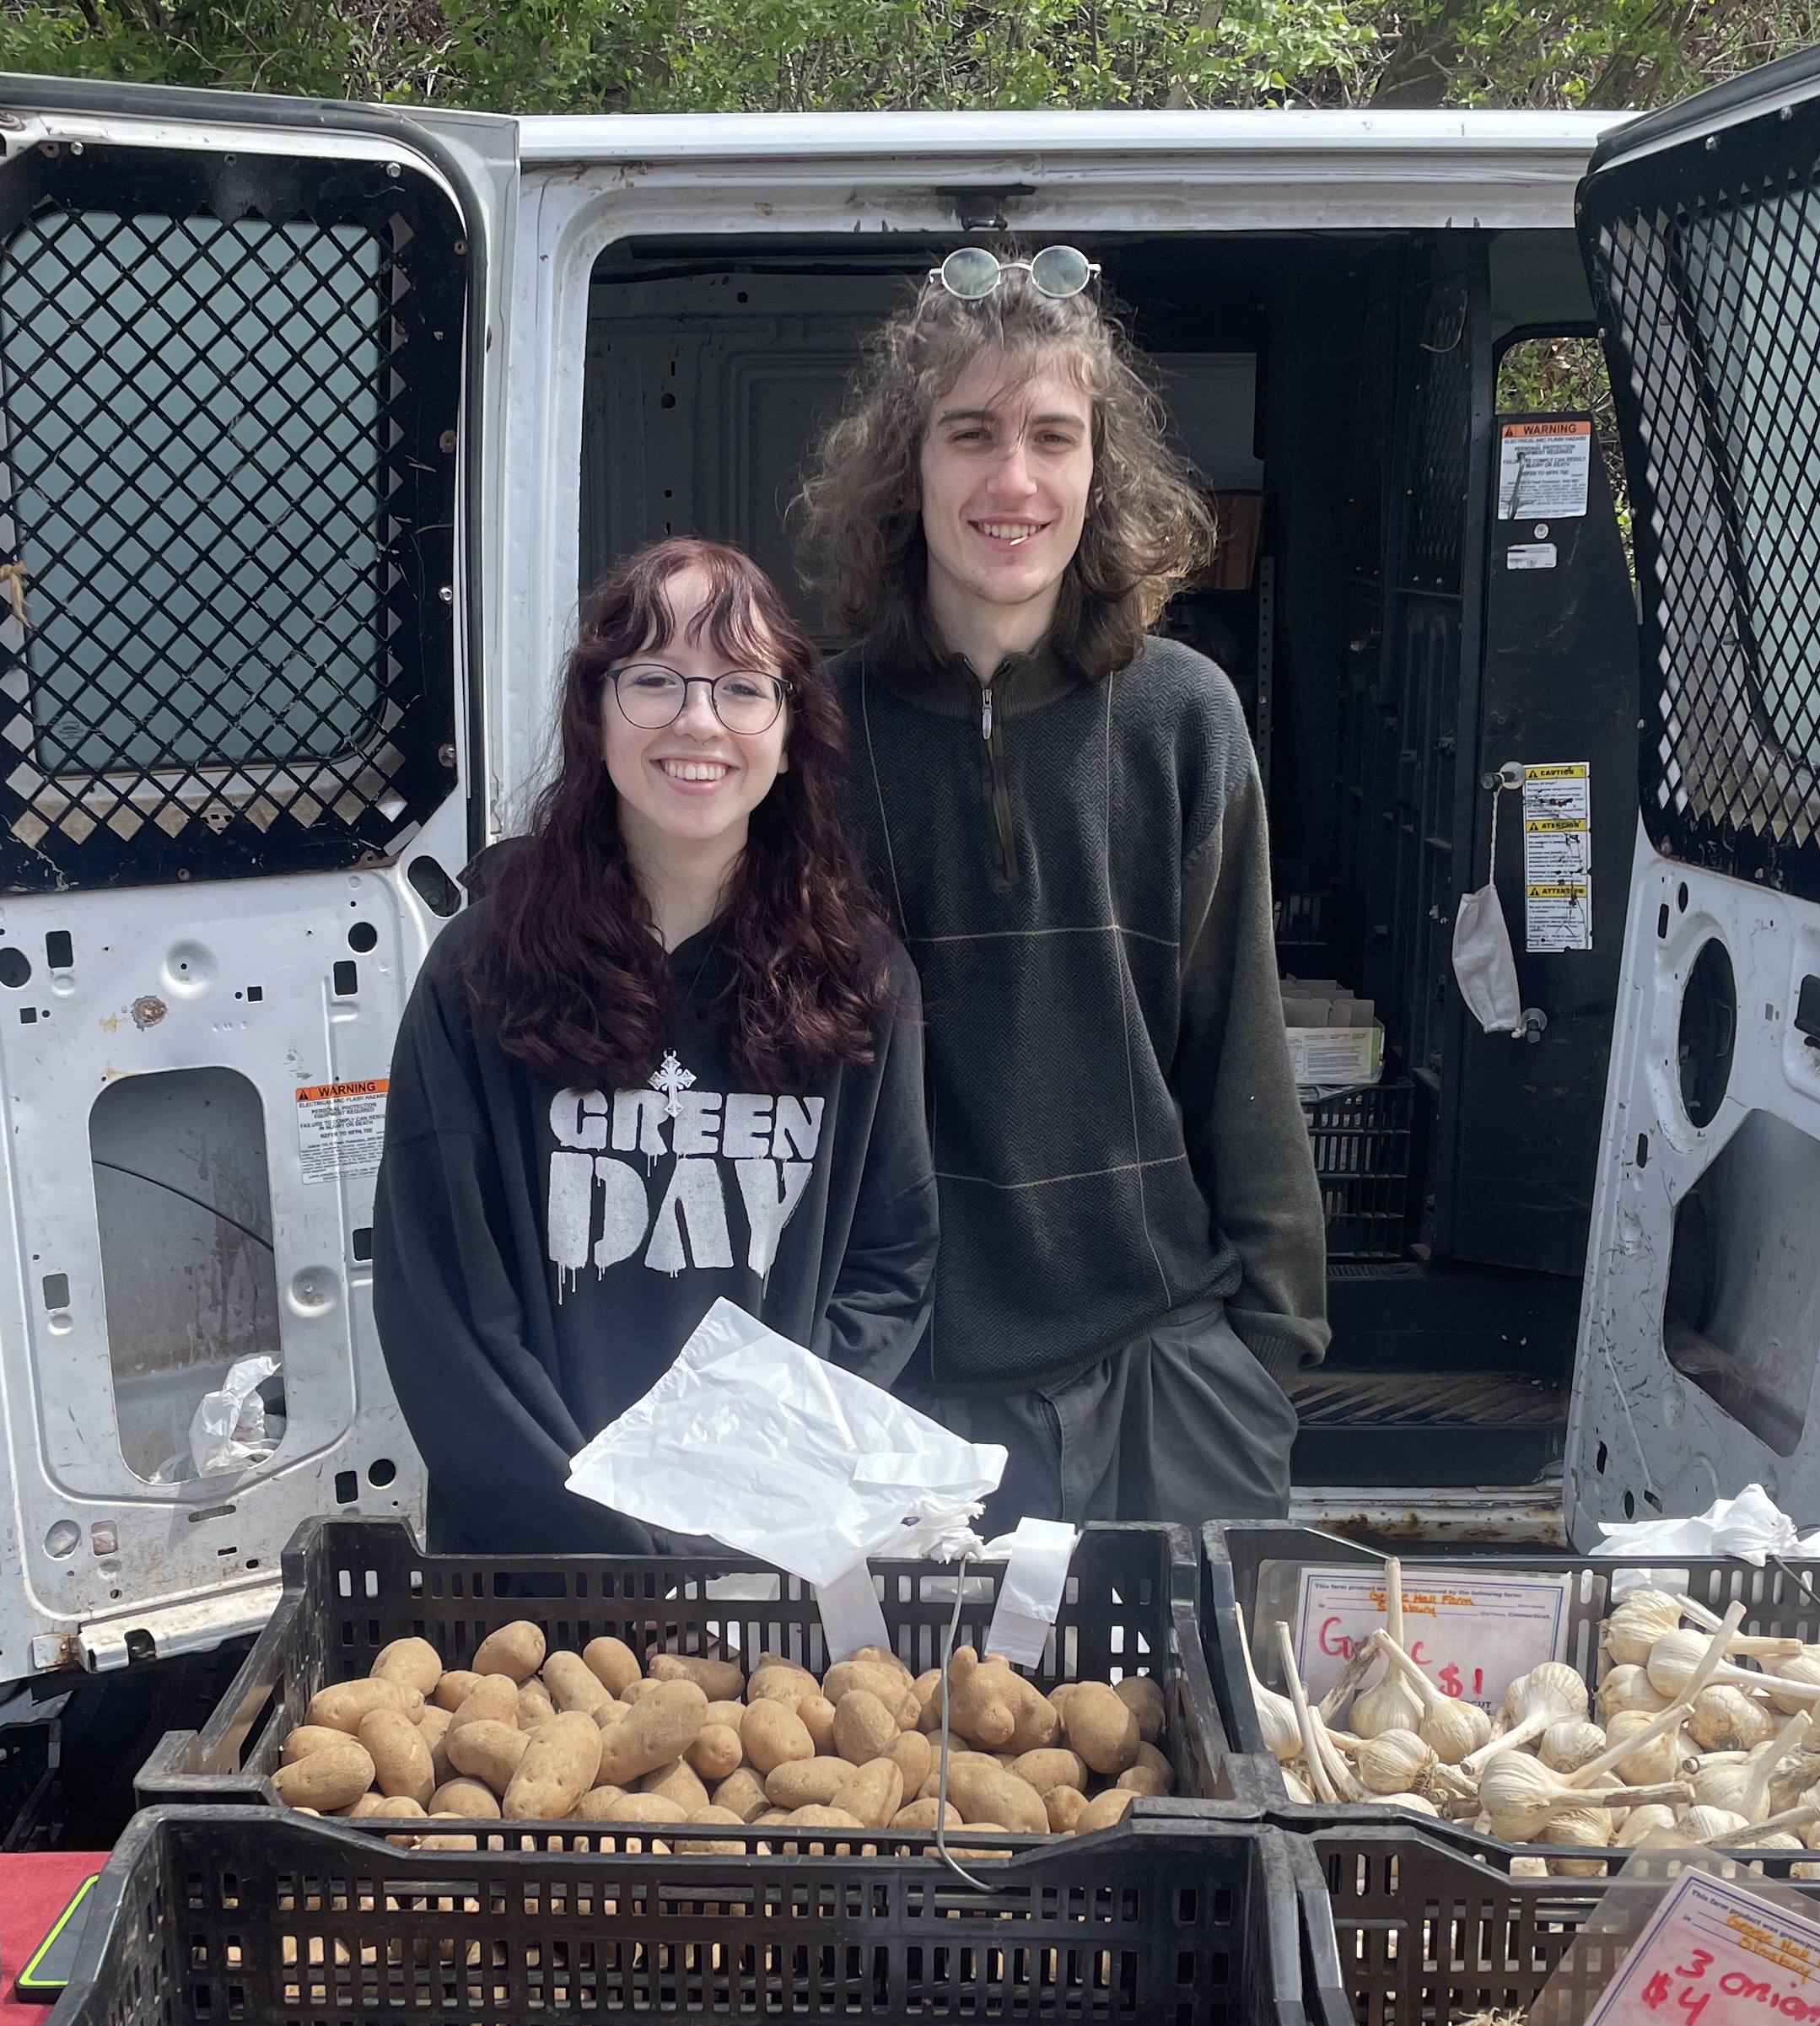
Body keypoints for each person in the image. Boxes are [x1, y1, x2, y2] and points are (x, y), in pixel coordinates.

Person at [798, 252, 1327, 1533]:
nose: (1012, 480)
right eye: (969, 434)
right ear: (907, 467)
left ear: (1100, 469)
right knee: (930, 1738)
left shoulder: (1182, 717)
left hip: (1167, 1368)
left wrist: (1270, 1354)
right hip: (903, 1386)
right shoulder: (814, 728)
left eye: (1053, 436)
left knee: (1205, 1725)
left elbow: (1240, 1045)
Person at [373, 537, 934, 1552]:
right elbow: (441, 1308)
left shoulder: (859, 977)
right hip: (533, 1578)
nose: (698, 721)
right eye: (656, 681)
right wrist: (607, 1539)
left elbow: (887, 1273)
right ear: (596, 709)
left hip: (766, 1559)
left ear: (790, 727)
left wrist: (754, 1498)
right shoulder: (477, 972)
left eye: (742, 687)